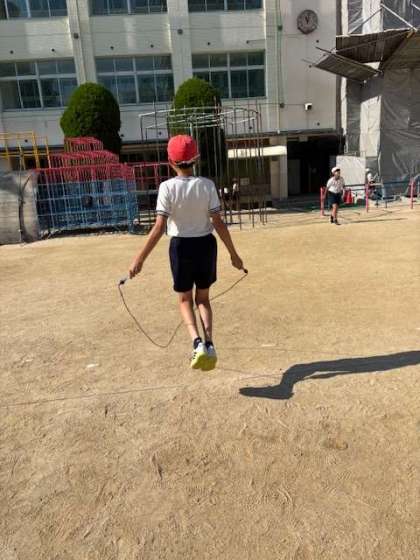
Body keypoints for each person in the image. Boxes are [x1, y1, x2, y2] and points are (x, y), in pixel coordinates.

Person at [128, 135, 244, 371]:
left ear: (170, 161)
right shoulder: (207, 185)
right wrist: (234, 254)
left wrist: (139, 259)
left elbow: (159, 227)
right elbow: (218, 222)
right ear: (196, 159)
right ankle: (209, 343)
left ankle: (196, 343)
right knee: (203, 299)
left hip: (181, 246)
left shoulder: (166, 187)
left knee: (184, 300)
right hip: (206, 245)